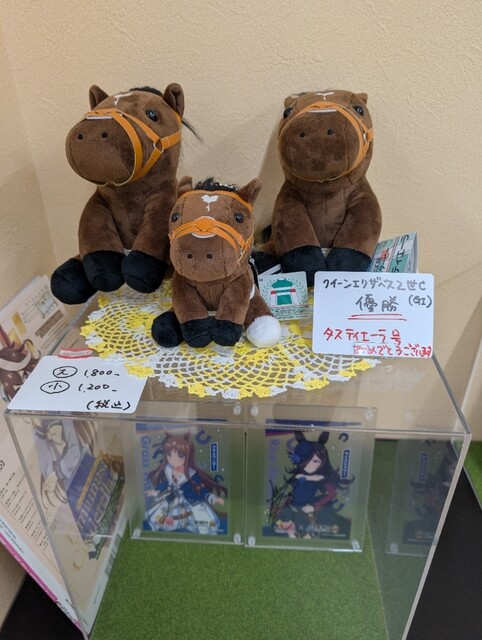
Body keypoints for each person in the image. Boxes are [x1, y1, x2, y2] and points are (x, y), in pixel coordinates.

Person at [144, 433, 227, 535]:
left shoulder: (192, 474)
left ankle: (189, 525)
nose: (173, 460)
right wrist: (156, 490)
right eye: (169, 454)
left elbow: (200, 488)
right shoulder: (169, 470)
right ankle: (171, 523)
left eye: (180, 456)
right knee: (164, 515)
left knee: (200, 517)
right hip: (173, 499)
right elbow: (166, 483)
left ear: (187, 456)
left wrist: (212, 497)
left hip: (190, 501)